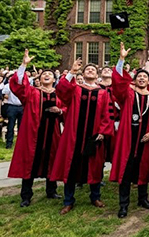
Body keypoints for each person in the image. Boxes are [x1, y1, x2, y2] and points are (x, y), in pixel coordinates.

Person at [50, 58, 113, 215]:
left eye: (93, 69)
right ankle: (68, 201)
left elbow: (107, 114)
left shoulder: (103, 93)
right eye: (87, 69)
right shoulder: (75, 90)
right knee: (71, 167)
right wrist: (72, 72)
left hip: (94, 137)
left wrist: (103, 132)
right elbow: (61, 90)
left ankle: (95, 197)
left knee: (95, 167)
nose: (90, 70)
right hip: (74, 137)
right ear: (83, 74)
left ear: (97, 74)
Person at [111, 43, 149, 218]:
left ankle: (143, 198)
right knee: (126, 171)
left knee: (144, 169)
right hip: (128, 138)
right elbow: (117, 83)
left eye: (144, 77)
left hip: (145, 140)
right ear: (135, 80)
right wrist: (121, 59)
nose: (141, 79)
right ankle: (123, 204)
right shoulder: (127, 94)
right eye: (139, 76)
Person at [8, 50, 65, 206]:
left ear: (55, 79)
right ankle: (26, 196)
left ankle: (51, 191)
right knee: (30, 162)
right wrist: (23, 64)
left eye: (50, 74)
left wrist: (60, 111)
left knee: (51, 160)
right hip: (33, 134)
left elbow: (67, 109)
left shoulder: (58, 94)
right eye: (43, 74)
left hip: (52, 133)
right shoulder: (32, 93)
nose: (46, 75)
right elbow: (19, 85)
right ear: (39, 79)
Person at [2, 73, 24, 149]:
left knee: (21, 126)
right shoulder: (7, 86)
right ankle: (9, 143)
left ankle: (21, 143)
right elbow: (4, 94)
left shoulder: (22, 85)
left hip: (21, 106)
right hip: (12, 106)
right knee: (10, 125)